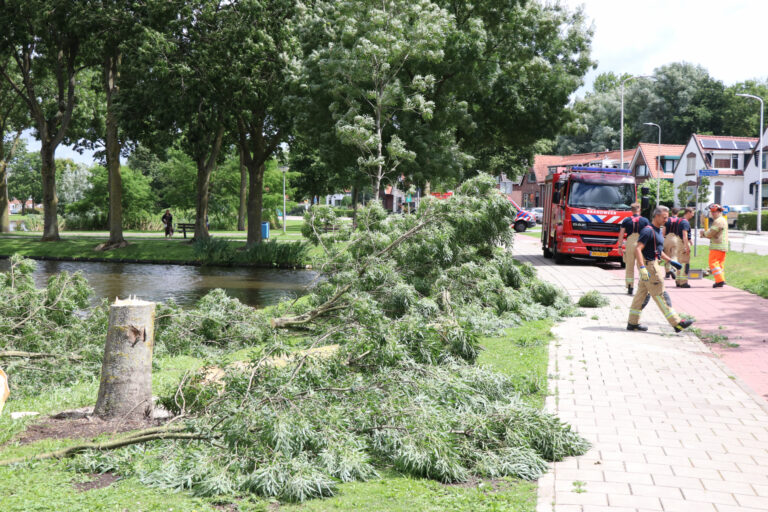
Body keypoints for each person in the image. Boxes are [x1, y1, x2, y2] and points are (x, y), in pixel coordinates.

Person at [627, 205, 694, 333]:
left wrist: (670, 261)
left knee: (640, 296)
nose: (666, 220)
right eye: (664, 217)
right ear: (656, 216)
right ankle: (677, 323)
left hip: (652, 264)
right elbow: (637, 249)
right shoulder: (648, 231)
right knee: (661, 295)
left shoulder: (658, 230)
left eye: (667, 217)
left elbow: (657, 250)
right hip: (650, 268)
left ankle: (632, 323)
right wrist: (642, 268)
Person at [617, 202, 649, 295]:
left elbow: (621, 234)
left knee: (629, 266)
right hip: (641, 243)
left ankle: (630, 287)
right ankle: (642, 286)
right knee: (641, 266)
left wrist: (619, 246)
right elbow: (648, 233)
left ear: (631, 210)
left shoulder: (626, 220)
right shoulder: (645, 220)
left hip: (630, 243)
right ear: (639, 209)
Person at [700, 203, 729, 288]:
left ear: (719, 212)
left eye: (714, 212)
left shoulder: (718, 221)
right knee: (719, 265)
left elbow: (711, 233)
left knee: (713, 263)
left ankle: (720, 281)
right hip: (722, 246)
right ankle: (721, 279)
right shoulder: (722, 220)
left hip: (717, 246)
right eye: (712, 212)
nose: (712, 213)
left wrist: (703, 234)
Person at [675, 207, 695, 288]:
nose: (693, 215)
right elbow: (684, 235)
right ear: (688, 212)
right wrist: (687, 247)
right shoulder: (685, 223)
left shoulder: (679, 220)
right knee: (685, 264)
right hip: (683, 244)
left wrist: (690, 240)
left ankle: (678, 281)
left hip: (679, 243)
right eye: (693, 213)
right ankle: (683, 282)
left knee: (679, 263)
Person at [663, 207, 681, 279]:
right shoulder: (680, 220)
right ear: (678, 213)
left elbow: (663, 232)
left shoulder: (667, 220)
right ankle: (673, 269)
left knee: (667, 256)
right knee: (674, 256)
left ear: (671, 212)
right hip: (676, 238)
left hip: (667, 238)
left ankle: (667, 272)